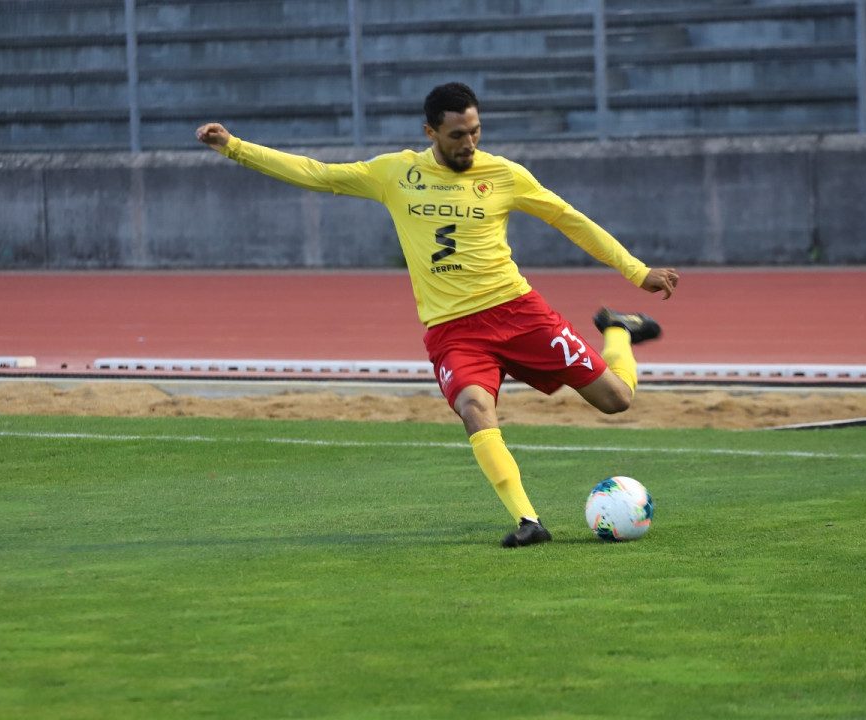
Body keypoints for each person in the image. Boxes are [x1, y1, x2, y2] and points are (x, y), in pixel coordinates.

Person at [197, 82, 678, 548]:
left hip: (518, 312)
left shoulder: (505, 175)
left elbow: (571, 219)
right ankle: (528, 519)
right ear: (430, 133)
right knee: (474, 408)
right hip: (454, 331)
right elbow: (317, 173)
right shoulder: (395, 174)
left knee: (617, 400)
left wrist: (637, 271)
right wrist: (234, 147)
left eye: (475, 131)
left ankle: (618, 330)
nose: (469, 143)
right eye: (457, 135)